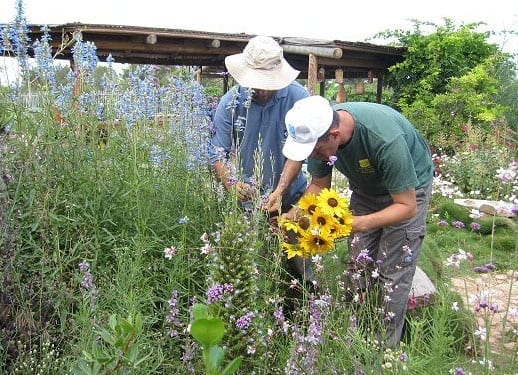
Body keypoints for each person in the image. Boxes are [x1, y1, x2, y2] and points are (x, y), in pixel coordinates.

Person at [278, 95, 434, 347]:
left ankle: (383, 349)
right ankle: (355, 332)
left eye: (315, 150)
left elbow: (406, 207)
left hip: (409, 190)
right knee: (358, 263)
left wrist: (358, 223)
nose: (313, 156)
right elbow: (319, 185)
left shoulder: (384, 140)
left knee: (392, 274)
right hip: (366, 188)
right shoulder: (322, 136)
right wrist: (294, 215)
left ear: (335, 135)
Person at [207, 36, 314, 293]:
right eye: (257, 84)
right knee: (255, 268)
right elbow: (217, 154)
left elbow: (298, 153)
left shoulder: (299, 98)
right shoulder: (230, 103)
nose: (263, 90)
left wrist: (280, 190)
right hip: (250, 203)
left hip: (292, 199)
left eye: (269, 84)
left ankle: (308, 314)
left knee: (304, 267)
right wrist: (232, 183)